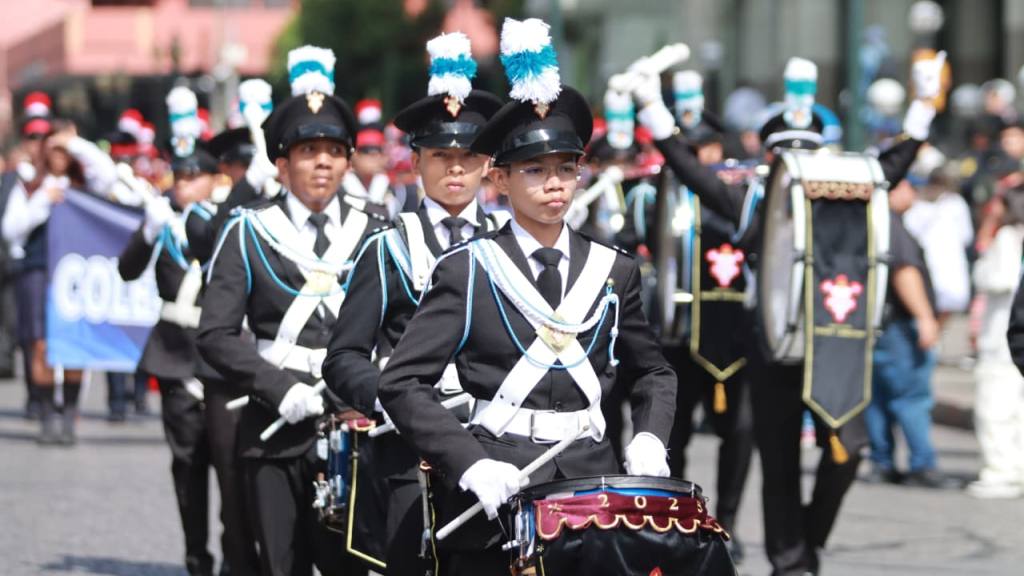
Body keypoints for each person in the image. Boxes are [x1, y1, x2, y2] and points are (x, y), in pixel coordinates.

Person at [377, 18, 677, 575]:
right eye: (535, 170)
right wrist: (468, 463)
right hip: (500, 483)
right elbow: (401, 382)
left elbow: (652, 372)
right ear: (499, 180)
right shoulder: (467, 270)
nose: (555, 184)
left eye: (566, 168)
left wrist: (651, 438)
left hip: (593, 485)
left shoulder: (615, 270)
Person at [629, 52, 944, 575]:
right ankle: (789, 561)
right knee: (777, 458)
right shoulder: (751, 199)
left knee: (849, 448)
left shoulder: (848, 192)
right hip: (770, 343)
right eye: (787, 156)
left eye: (808, 154)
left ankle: (808, 540)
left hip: (834, 342)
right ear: (770, 160)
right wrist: (651, 106)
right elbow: (689, 170)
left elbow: (893, 167)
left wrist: (923, 108)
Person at [321, 31, 504, 574]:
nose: (454, 170)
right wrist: (392, 400)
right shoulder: (388, 245)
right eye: (440, 156)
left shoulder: (506, 243)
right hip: (410, 453)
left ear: (487, 165)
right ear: (416, 162)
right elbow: (344, 357)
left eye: (468, 156)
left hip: (495, 442)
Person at [198, 82, 383, 576]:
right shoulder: (248, 229)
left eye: (334, 151)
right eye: (307, 150)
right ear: (281, 165)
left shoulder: (378, 229)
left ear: (347, 163)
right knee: (281, 565)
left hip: (357, 427)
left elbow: (401, 326)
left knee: (352, 566)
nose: (322, 162)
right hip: (273, 425)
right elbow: (215, 333)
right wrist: (278, 388)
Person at [119, 86, 221, 576]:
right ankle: (195, 556)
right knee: (187, 467)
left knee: (232, 468)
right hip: (176, 356)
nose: (184, 183)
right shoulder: (160, 219)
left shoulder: (228, 219)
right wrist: (145, 231)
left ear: (213, 177)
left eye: (194, 174)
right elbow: (125, 271)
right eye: (179, 175)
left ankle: (236, 554)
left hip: (222, 358)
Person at [3, 94, 118, 444]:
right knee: (39, 345)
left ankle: (69, 413)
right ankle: (45, 411)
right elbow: (10, 230)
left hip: (75, 273)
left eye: (60, 148)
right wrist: (43, 200)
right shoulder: (31, 186)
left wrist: (76, 142)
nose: (55, 154)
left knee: (73, 345)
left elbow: (108, 175)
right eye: (49, 148)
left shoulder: (84, 185)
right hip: (38, 270)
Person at [863, 178, 956, 489]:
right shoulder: (891, 225)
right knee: (912, 396)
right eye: (907, 186)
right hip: (899, 326)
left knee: (878, 397)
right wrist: (925, 317)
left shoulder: (874, 222)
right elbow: (905, 271)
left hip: (879, 325)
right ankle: (922, 464)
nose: (912, 193)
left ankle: (882, 461)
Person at [970, 186, 1024, 498]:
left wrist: (986, 244)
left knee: (995, 407)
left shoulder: (1006, 237)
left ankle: (1001, 471)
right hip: (1005, 334)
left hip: (1002, 336)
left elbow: (999, 279)